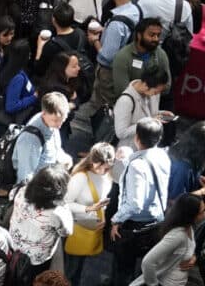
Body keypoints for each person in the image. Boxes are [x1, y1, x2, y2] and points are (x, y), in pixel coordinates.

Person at [111, 118, 172, 286]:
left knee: (123, 269)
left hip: (133, 226)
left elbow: (135, 204)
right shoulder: (163, 156)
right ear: (159, 139)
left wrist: (116, 220)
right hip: (156, 223)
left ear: (137, 138)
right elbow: (147, 171)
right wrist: (127, 158)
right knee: (143, 271)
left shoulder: (137, 165)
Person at [8, 165, 73, 281]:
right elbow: (66, 232)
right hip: (37, 258)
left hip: (14, 246)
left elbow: (11, 196)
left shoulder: (22, 190)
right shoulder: (57, 212)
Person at [62, 143, 114, 285]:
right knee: (71, 269)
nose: (103, 171)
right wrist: (89, 209)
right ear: (93, 161)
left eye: (107, 168)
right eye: (100, 167)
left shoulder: (107, 175)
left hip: (91, 229)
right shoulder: (81, 178)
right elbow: (66, 203)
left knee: (79, 269)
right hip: (76, 229)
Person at [94, 0, 144, 104]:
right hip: (129, 67)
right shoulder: (137, 11)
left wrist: (95, 41)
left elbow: (107, 56)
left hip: (110, 73)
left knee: (103, 106)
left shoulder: (116, 24)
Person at [133, 193, 204, 286]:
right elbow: (148, 262)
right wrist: (153, 284)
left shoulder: (190, 227)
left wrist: (193, 257)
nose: (204, 214)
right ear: (191, 215)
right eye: (202, 211)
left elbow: (187, 248)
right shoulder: (178, 236)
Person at [12, 93, 72, 184]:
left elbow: (55, 148)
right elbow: (25, 176)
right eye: (55, 120)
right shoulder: (31, 139)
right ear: (44, 113)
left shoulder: (50, 123)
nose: (59, 125)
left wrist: (63, 158)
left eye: (62, 120)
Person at [111, 17, 172, 101]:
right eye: (151, 35)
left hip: (154, 102)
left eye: (158, 35)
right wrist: (152, 89)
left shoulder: (161, 54)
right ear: (139, 35)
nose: (156, 39)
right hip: (130, 104)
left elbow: (167, 86)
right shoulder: (122, 57)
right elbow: (122, 91)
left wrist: (146, 91)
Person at [113, 65, 173, 149]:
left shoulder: (154, 91)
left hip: (149, 146)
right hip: (130, 149)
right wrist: (149, 122)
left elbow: (149, 113)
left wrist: (161, 113)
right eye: (155, 92)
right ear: (145, 85)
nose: (156, 94)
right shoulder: (125, 101)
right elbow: (121, 133)